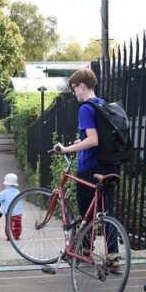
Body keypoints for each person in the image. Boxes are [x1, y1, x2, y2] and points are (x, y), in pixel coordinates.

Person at [52, 68, 122, 274]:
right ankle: (113, 257)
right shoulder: (104, 105)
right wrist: (79, 142)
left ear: (81, 86)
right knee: (106, 211)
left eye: (74, 89)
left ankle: (84, 251)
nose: (74, 94)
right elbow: (97, 138)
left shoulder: (85, 108)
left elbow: (93, 140)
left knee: (87, 213)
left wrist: (65, 149)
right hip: (109, 166)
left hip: (89, 168)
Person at [0, 173, 22, 240]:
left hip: (8, 212)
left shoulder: (5, 192)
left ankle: (9, 236)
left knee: (8, 224)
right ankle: (17, 236)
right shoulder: (17, 191)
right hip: (18, 214)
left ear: (7, 184)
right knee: (18, 225)